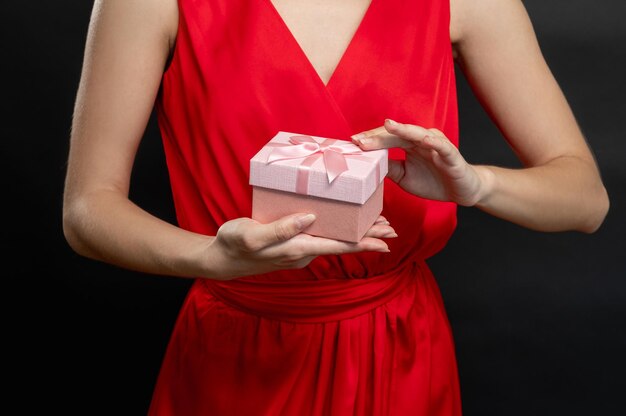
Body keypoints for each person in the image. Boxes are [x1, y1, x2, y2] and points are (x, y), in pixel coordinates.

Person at [63, 0, 609, 414]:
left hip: (397, 348)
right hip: (234, 349)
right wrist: (209, 256)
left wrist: (476, 186)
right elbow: (88, 210)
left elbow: (585, 200)